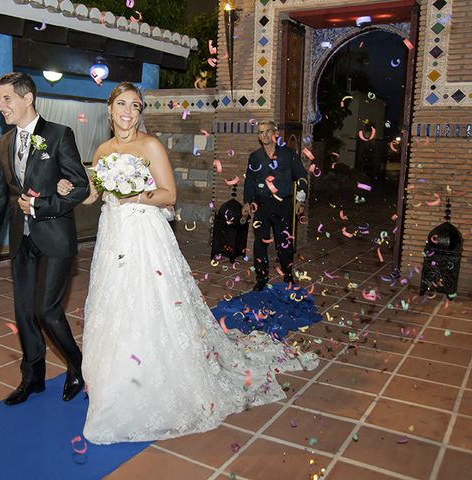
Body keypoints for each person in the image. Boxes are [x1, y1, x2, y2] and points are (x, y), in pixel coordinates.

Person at [56, 82, 317, 444]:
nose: (128, 112)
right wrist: (73, 190)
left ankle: (157, 376)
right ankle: (115, 384)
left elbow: (169, 194)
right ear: (110, 109)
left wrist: (136, 194)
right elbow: (95, 196)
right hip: (113, 235)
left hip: (145, 235)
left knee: (151, 302)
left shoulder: (150, 145)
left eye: (134, 105)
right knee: (115, 305)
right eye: (121, 104)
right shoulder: (102, 150)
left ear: (140, 111)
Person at [0, 72, 89, 406]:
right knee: (24, 311)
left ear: (27, 98)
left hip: (55, 236)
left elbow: (81, 186)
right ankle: (33, 378)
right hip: (20, 239)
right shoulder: (3, 144)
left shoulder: (58, 135)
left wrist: (42, 205)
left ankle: (78, 366)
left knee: (47, 310)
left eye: (6, 98)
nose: (1, 106)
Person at [242, 121, 308, 291]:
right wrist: (247, 202)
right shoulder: (255, 157)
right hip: (262, 205)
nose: (263, 135)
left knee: (283, 242)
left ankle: (288, 275)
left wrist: (300, 200)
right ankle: (261, 278)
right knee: (259, 243)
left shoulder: (288, 154)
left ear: (275, 133)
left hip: (284, 205)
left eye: (267, 131)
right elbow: (249, 180)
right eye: (260, 132)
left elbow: (301, 176)